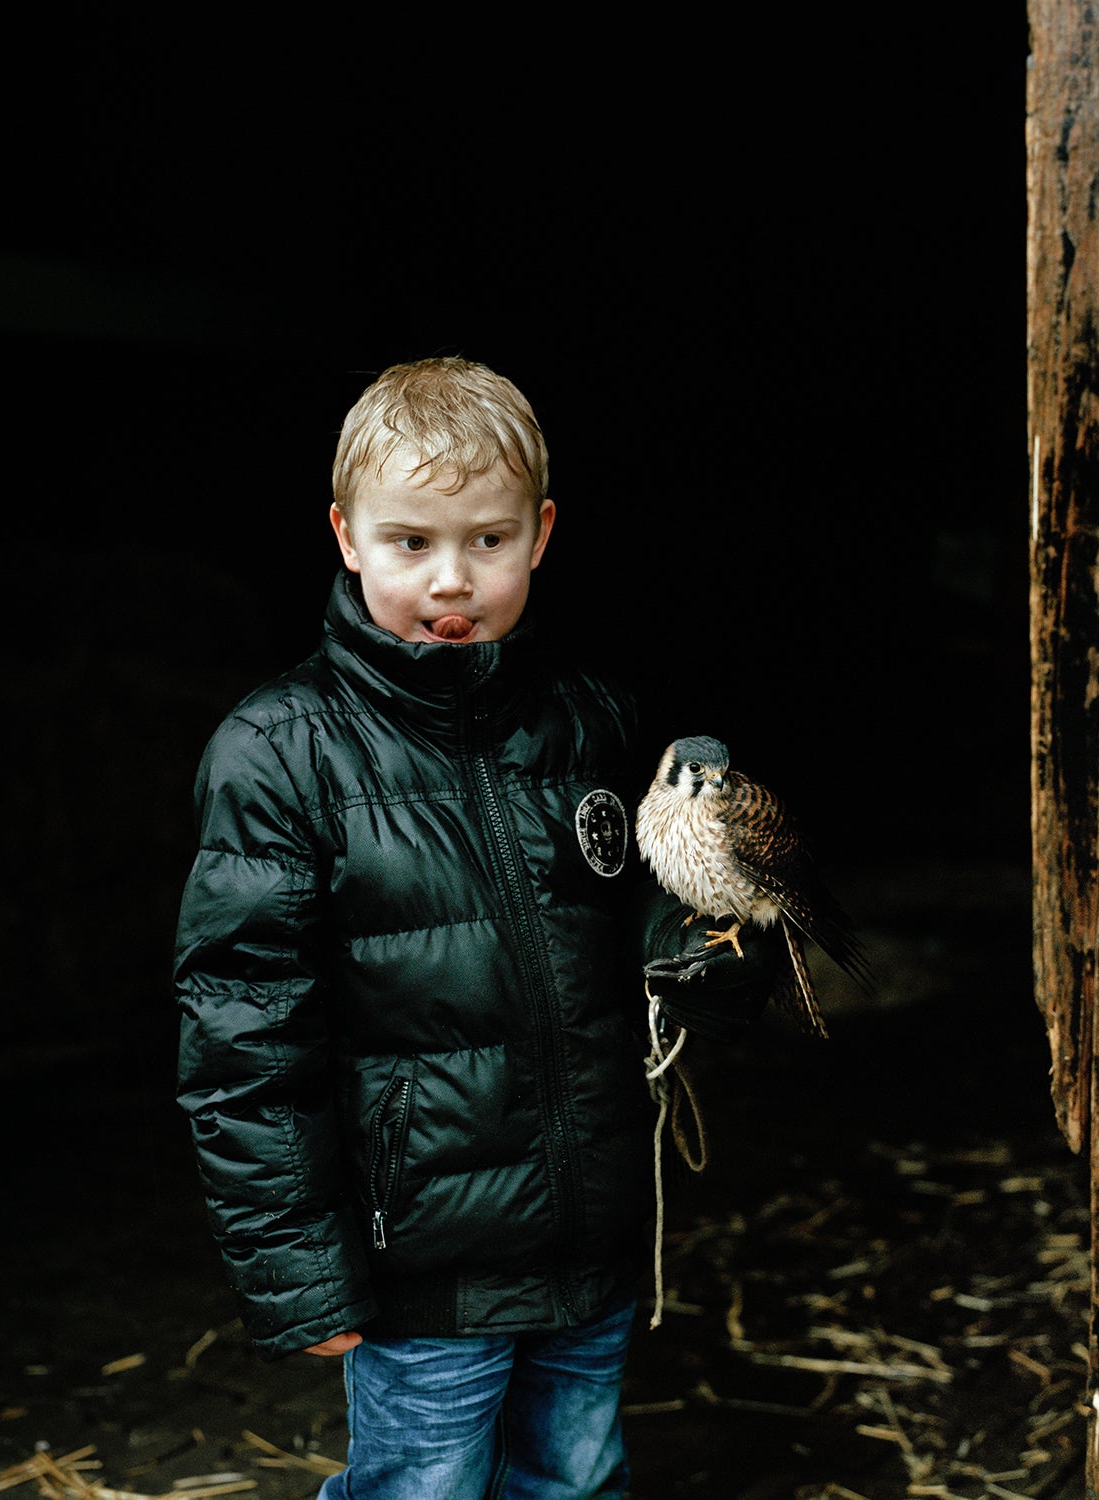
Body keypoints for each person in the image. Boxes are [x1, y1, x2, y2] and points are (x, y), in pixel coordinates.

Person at [173, 356, 775, 1499]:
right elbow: (241, 1039)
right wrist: (298, 1271)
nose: (453, 579)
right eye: (411, 543)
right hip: (422, 1262)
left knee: (576, 1477)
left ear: (541, 533)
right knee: (426, 1485)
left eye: (489, 541)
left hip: (589, 1241)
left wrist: (711, 956)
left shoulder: (592, 719)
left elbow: (646, 909)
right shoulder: (281, 753)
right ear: (346, 536)